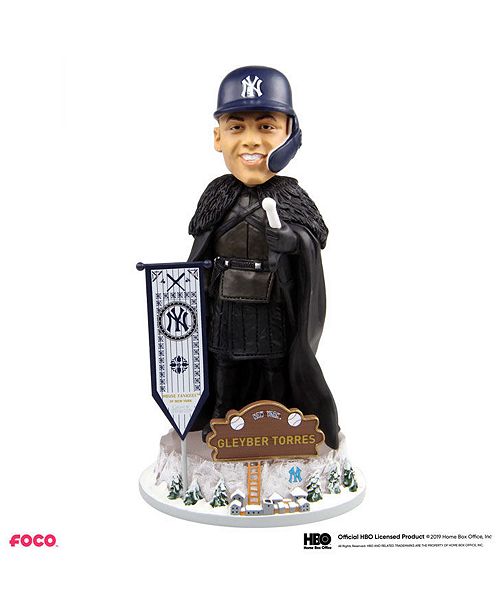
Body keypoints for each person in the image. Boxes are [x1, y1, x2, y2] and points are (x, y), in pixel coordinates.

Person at [188, 66, 340, 450]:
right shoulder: (216, 195)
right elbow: (199, 253)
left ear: (289, 135)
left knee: (273, 365)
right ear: (218, 137)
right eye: (237, 127)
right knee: (224, 363)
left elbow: (314, 240)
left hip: (269, 304)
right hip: (224, 303)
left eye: (267, 127)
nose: (251, 140)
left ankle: (277, 422)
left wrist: (293, 240)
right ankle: (220, 420)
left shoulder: (290, 196)